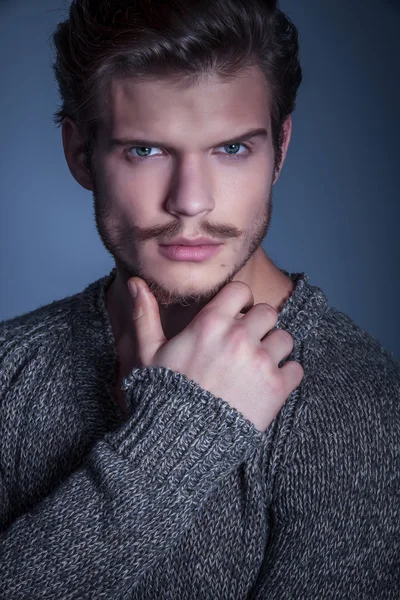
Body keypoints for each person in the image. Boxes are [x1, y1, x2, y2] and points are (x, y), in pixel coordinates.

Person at [0, 0, 398, 598]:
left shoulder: (360, 407)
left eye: (232, 149)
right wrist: (176, 437)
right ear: (80, 153)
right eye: (146, 150)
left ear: (280, 149)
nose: (191, 202)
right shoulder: (10, 371)